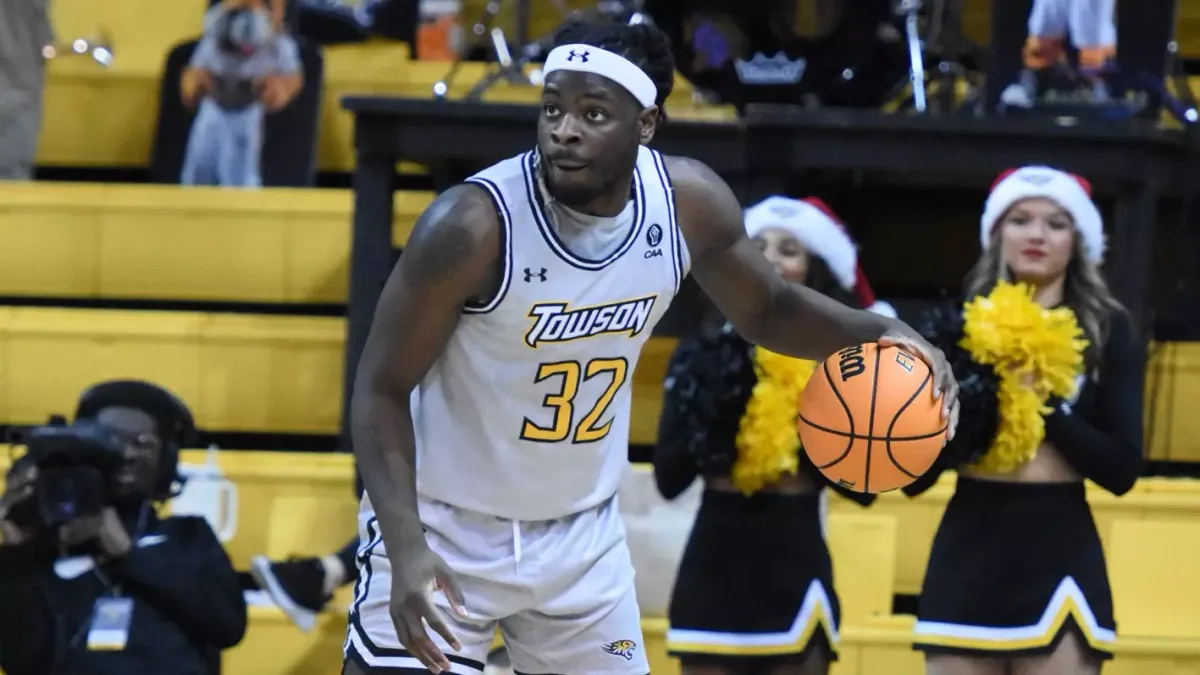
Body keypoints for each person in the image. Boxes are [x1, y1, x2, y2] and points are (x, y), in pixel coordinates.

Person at [346, 18, 959, 675]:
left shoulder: (686, 204)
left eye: (592, 112)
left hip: (581, 550)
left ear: (646, 124)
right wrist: (406, 546)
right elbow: (380, 388)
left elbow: (769, 308)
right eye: (552, 107)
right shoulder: (470, 227)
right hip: (443, 529)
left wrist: (885, 329)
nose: (564, 129)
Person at [906, 166, 1143, 675]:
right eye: (1020, 220)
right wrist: (962, 410)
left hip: (1061, 552)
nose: (1036, 235)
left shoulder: (1108, 330)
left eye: (1056, 223)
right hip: (969, 548)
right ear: (997, 233)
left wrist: (1040, 404)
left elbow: (1122, 470)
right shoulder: (957, 329)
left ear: (1078, 241)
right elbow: (915, 480)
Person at [654, 196, 894, 675]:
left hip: (796, 563)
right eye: (757, 245)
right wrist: (718, 398)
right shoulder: (698, 355)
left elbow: (863, 490)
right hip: (713, 567)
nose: (769, 258)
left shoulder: (843, 367)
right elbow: (669, 477)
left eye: (789, 249)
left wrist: (820, 419)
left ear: (814, 271)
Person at [0, 380, 248, 675]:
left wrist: (131, 556)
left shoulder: (186, 538)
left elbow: (227, 625)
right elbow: (21, 661)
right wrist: (12, 557)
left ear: (165, 462)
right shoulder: (46, 549)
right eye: (110, 439)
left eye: (143, 442)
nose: (126, 454)